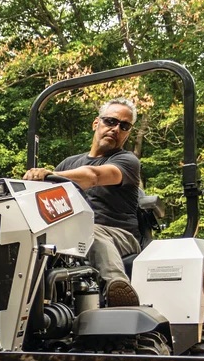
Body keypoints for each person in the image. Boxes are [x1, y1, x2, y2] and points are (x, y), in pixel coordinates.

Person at [23, 98, 144, 306]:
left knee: (87, 232)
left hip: (118, 234)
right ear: (96, 123)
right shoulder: (69, 163)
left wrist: (50, 174)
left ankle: (119, 289)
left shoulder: (127, 161)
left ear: (128, 133)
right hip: (69, 235)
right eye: (111, 121)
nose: (116, 129)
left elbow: (93, 176)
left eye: (124, 126)